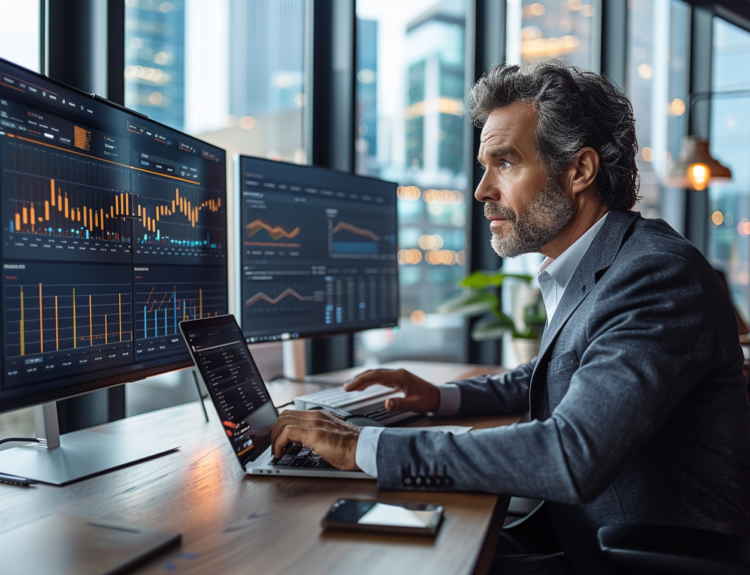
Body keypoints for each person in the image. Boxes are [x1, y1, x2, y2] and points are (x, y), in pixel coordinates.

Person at [270, 61, 750, 574]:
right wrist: (442, 397)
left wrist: (362, 444)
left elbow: (572, 452)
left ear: (580, 171)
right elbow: (560, 372)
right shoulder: (605, 263)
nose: (481, 191)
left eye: (505, 163)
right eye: (484, 165)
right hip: (588, 531)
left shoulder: (654, 275)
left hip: (640, 558)